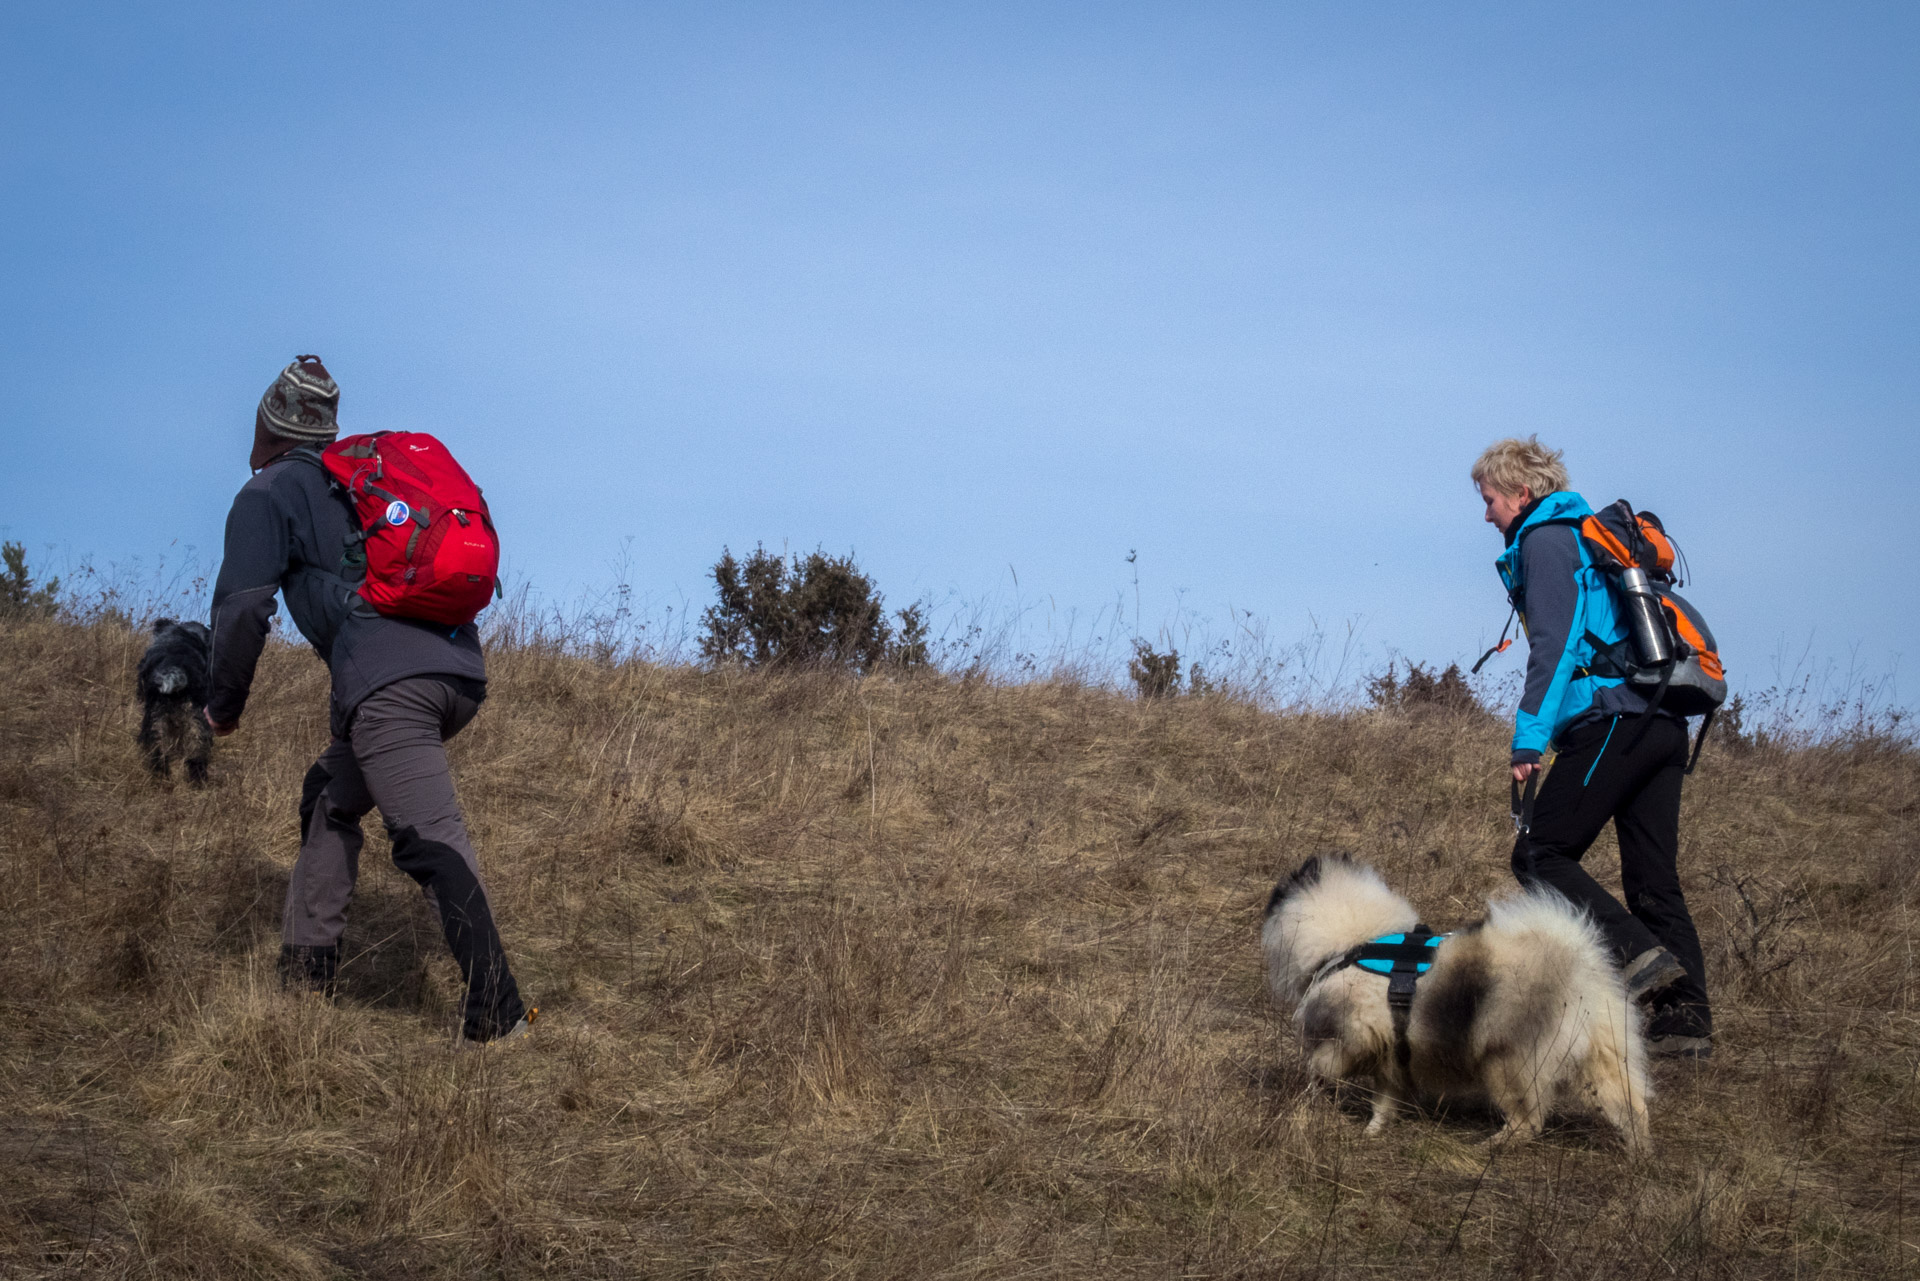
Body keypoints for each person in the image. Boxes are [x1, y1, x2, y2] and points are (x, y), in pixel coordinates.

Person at [206, 355, 531, 1045]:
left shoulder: (268, 493)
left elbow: (241, 609)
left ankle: (500, 1014)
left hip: (393, 688)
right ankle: (304, 985)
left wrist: (222, 706)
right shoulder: (350, 480)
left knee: (427, 837)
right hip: (455, 666)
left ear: (266, 428)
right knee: (330, 793)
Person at [1472, 436, 1711, 1059]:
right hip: (1661, 724)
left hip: (1615, 720)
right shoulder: (1584, 537)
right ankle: (1686, 1026)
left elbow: (1553, 646)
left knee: (1539, 854)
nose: (1487, 512)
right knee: (1654, 879)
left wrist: (1527, 741)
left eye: (1490, 498)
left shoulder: (1547, 541)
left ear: (1522, 494)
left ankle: (1640, 960)